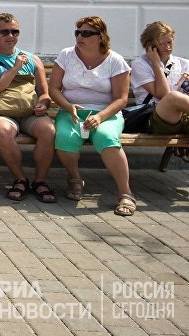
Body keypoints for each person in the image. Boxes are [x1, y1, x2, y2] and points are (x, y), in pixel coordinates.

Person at [48, 16, 135, 216]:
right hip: (73, 111)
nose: (80, 36)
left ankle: (125, 192)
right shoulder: (67, 55)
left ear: (101, 36)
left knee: (106, 138)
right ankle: (75, 178)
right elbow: (54, 89)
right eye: (77, 32)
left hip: (106, 113)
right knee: (64, 137)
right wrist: (68, 106)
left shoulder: (115, 60)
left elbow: (121, 99)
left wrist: (100, 117)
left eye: (86, 33)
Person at [0, 13, 57, 203]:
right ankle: (20, 180)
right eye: (5, 32)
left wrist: (44, 103)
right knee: (2, 130)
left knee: (48, 130)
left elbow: (44, 92)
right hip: (0, 111)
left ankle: (40, 181)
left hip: (29, 112)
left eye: (15, 31)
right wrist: (15, 68)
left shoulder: (33, 60)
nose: (10, 36)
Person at [130, 21, 189, 137]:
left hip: (182, 117)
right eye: (161, 44)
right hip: (154, 118)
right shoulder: (140, 64)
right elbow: (164, 94)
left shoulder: (184, 64)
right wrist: (156, 64)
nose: (167, 47)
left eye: (169, 42)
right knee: (173, 97)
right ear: (150, 45)